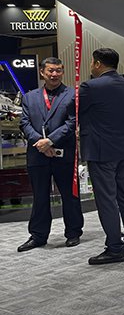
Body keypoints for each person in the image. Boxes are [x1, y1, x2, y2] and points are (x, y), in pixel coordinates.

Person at [79, 47, 124, 265]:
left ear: (97, 63)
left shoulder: (90, 86)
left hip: (101, 151)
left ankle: (115, 248)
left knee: (106, 200)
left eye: (92, 62)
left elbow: (73, 110)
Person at [16, 57, 83, 252]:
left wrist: (50, 141)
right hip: (37, 154)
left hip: (64, 154)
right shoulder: (29, 97)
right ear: (42, 72)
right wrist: (41, 143)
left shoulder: (72, 95)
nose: (54, 74)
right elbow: (24, 123)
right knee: (40, 197)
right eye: (50, 71)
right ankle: (38, 236)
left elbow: (73, 122)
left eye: (58, 70)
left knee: (70, 195)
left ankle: (73, 233)